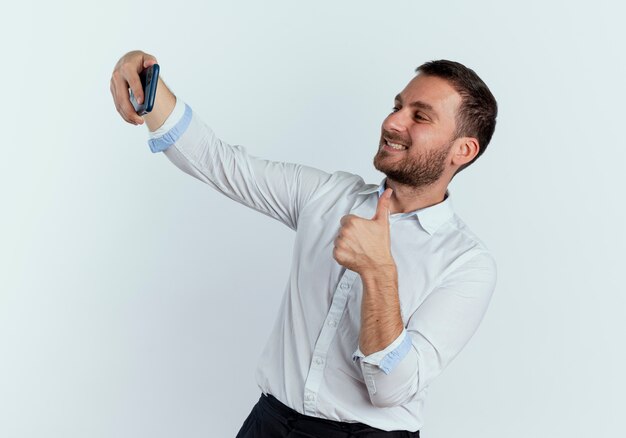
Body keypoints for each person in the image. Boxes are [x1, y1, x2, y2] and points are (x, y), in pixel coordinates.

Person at [110, 50, 498, 438]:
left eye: (420, 115)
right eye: (397, 106)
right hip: (269, 423)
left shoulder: (467, 264)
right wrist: (145, 80)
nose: (393, 122)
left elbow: (391, 389)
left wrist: (378, 270)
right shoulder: (327, 195)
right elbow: (217, 162)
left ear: (462, 150)